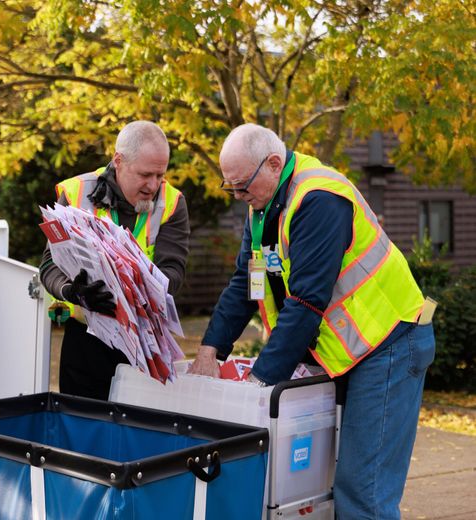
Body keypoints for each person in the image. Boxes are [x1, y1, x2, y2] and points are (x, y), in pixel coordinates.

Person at [189, 123, 435, 519]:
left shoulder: (318, 199)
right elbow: (246, 283)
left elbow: (306, 301)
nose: (238, 197)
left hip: (389, 345)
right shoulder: (262, 209)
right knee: (317, 486)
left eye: (242, 186)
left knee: (362, 493)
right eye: (230, 188)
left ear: (273, 164)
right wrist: (210, 349)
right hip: (349, 353)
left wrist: (260, 383)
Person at [39, 120, 190, 400]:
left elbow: (173, 273)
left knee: (136, 435)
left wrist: (134, 294)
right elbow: (48, 266)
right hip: (85, 339)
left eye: (160, 175)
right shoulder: (75, 193)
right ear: (118, 161)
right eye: (145, 175)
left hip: (144, 343)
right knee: (82, 431)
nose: (153, 186)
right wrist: (73, 292)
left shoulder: (172, 203)